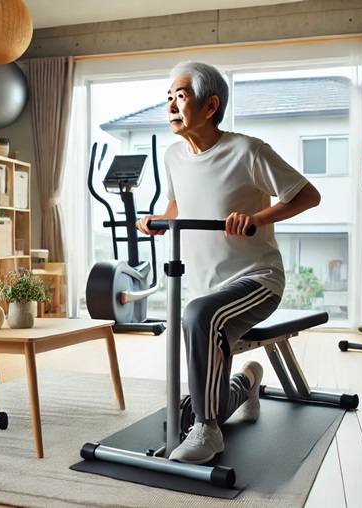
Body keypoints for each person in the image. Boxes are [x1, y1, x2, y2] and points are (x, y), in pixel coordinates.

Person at [136, 61, 321, 465]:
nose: (169, 105)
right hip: (208, 288)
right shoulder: (173, 156)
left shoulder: (247, 150)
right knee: (200, 390)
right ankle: (248, 380)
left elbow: (307, 195)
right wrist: (157, 220)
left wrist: (256, 219)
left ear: (210, 105)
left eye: (180, 96)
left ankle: (209, 432)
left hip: (257, 281)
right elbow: (177, 206)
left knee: (199, 317)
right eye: (167, 97)